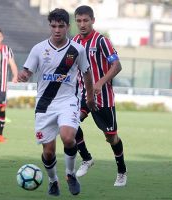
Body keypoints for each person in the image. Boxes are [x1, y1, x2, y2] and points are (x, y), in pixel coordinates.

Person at [18, 8, 97, 196]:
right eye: (53, 26)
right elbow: (28, 71)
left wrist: (90, 96)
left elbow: (87, 73)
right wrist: (24, 75)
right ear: (50, 26)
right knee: (48, 152)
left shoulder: (77, 50)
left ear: (68, 27)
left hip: (68, 101)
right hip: (44, 104)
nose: (57, 30)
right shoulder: (38, 49)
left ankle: (70, 174)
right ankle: (53, 181)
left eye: (61, 26)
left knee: (68, 137)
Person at [73, 5, 128, 186]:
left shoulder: (101, 41)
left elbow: (117, 65)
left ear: (93, 21)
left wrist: (100, 82)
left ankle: (121, 171)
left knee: (111, 137)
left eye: (85, 20)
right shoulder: (74, 42)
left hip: (103, 97)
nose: (82, 24)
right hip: (82, 95)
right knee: (70, 124)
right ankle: (87, 158)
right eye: (79, 21)